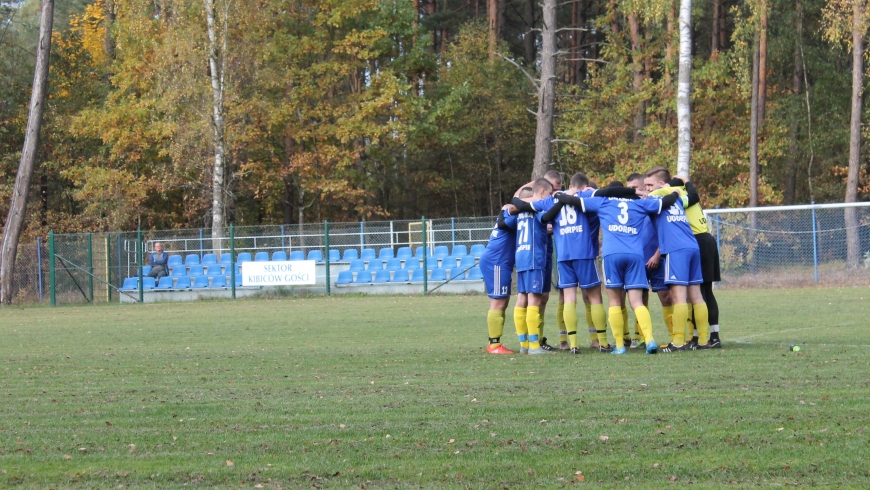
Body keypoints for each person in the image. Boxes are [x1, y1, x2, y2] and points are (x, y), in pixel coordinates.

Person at [513, 173, 638, 354]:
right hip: (585, 253)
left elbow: (522, 205)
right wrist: (631, 193)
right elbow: (611, 192)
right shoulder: (585, 196)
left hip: (563, 255)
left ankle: (572, 344)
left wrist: (514, 198)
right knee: (594, 297)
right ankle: (602, 342)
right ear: (584, 187)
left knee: (569, 298)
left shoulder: (552, 200)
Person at [554, 185, 682, 354]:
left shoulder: (603, 202)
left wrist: (561, 194)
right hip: (635, 255)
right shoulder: (640, 204)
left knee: (614, 301)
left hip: (611, 255)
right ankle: (650, 339)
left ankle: (620, 345)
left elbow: (571, 201)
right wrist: (675, 193)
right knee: (637, 301)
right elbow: (665, 203)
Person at [647, 167, 720, 349]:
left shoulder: (658, 197)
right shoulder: (682, 195)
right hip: (695, 244)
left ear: (661, 184)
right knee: (698, 295)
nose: (647, 188)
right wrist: (685, 182)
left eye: (649, 184)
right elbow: (694, 196)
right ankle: (703, 339)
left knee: (679, 296)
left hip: (679, 247)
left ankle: (678, 342)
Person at [626, 173, 673, 348]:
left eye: (635, 188)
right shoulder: (627, 206)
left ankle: (675, 336)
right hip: (636, 260)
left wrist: (657, 254)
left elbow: (666, 231)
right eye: (629, 188)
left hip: (656, 258)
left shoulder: (654, 204)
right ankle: (640, 337)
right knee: (640, 299)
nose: (633, 191)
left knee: (666, 297)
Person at [511, 179, 555, 354]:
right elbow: (544, 218)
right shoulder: (537, 208)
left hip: (521, 256)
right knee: (534, 299)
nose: (550, 197)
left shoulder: (519, 212)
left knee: (521, 298)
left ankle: (523, 345)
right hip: (534, 257)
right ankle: (535, 345)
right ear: (543, 191)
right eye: (550, 193)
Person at [479, 205, 519, 354]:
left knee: (504, 300)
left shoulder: (509, 215)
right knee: (498, 302)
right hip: (496, 262)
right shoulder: (512, 217)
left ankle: (495, 343)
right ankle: (494, 345)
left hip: (501, 262)